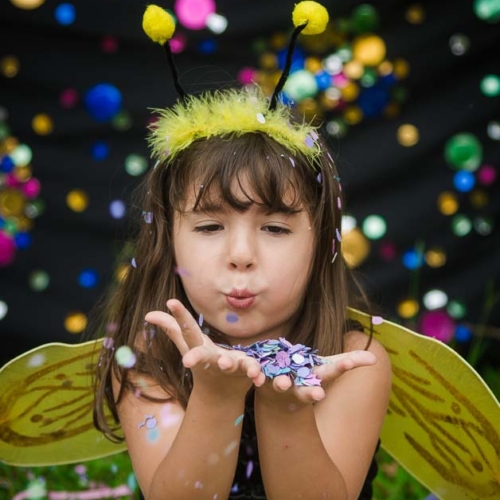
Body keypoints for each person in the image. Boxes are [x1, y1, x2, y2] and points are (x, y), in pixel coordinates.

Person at [91, 3, 393, 500]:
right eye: (209, 225)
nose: (241, 255)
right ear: (168, 239)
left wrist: (286, 408)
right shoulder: (147, 359)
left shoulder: (354, 361)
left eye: (275, 228)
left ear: (321, 244)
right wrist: (214, 397)